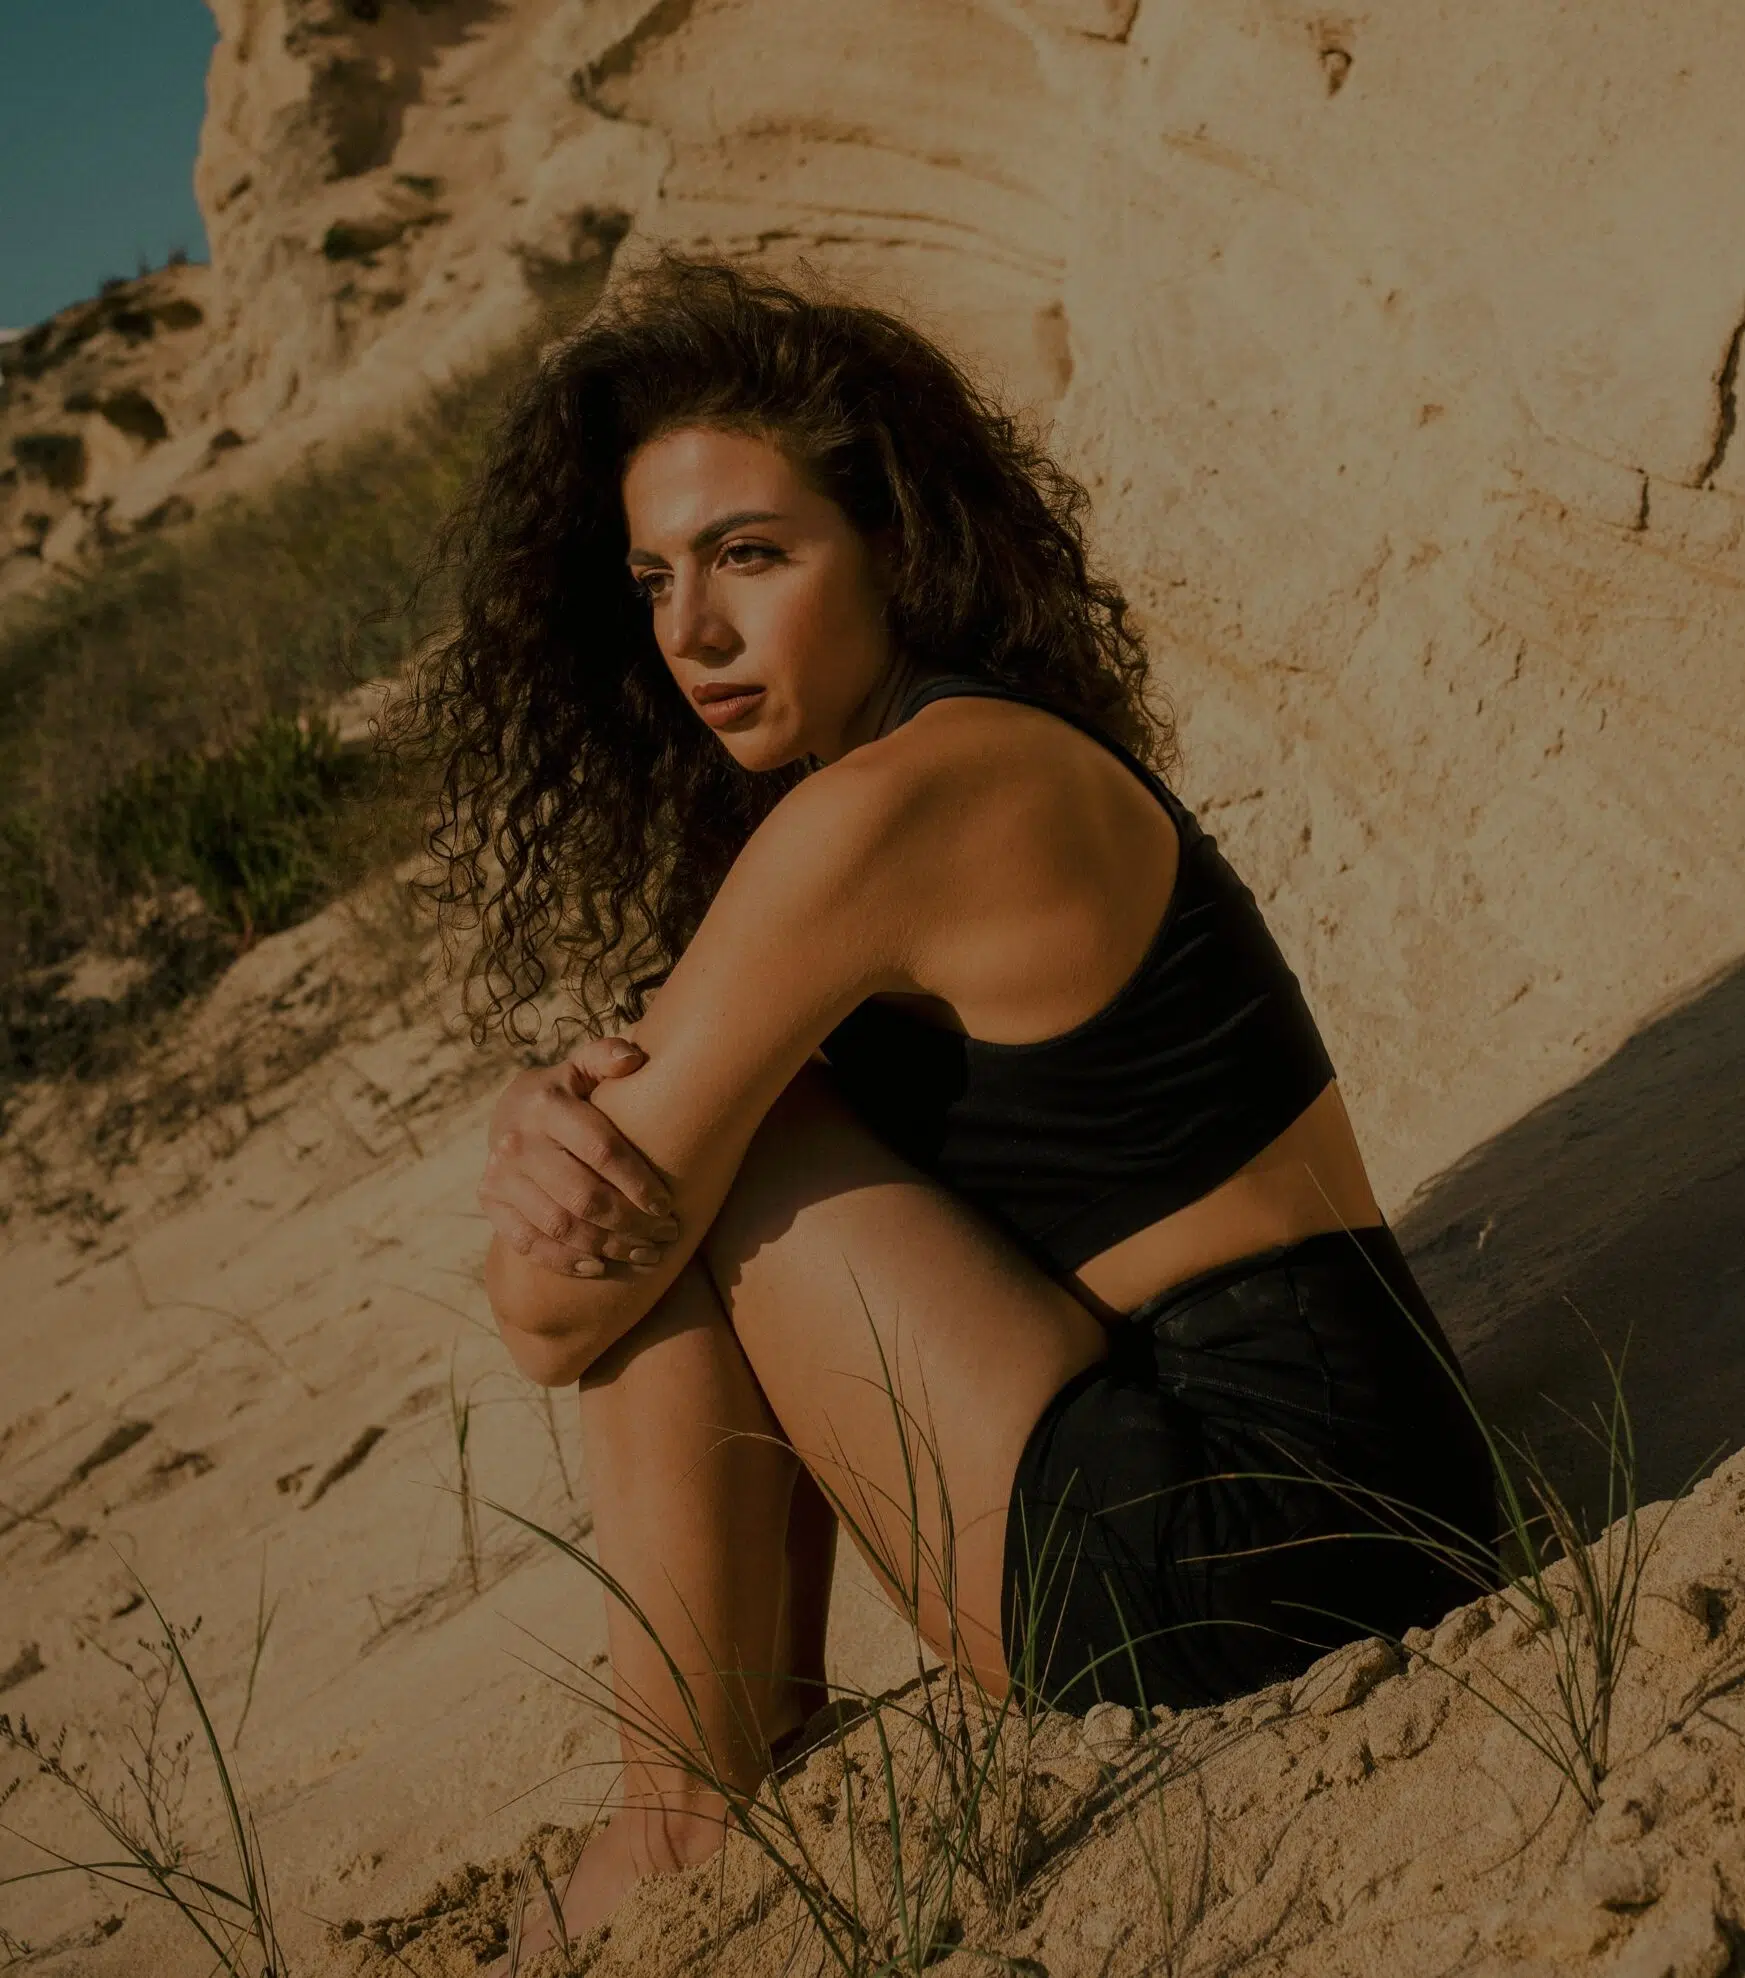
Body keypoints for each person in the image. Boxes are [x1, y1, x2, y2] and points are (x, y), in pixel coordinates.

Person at [406, 253, 1497, 1952]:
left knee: (724, 1149)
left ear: (894, 544)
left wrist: (581, 1138)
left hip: (1241, 1548)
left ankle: (676, 1822)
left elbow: (550, 1310)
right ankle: (731, 1759)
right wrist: (562, 1112)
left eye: (749, 555)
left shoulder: (885, 809)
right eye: (653, 579)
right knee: (713, 1127)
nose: (690, 631)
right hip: (1374, 1489)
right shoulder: (972, 750)